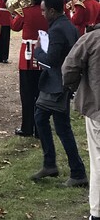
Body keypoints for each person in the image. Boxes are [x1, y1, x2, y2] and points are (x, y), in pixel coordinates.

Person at [31, 0, 87, 187]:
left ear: (53, 11)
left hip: (56, 84)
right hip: (63, 82)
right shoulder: (68, 25)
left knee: (60, 127)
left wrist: (37, 50)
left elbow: (52, 59)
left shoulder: (56, 30)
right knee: (45, 120)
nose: (42, 14)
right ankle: (52, 164)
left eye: (44, 11)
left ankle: (75, 171)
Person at [11, 0, 54, 137]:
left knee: (27, 95)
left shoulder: (25, 11)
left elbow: (14, 27)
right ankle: (40, 128)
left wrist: (15, 13)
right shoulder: (51, 11)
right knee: (42, 93)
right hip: (45, 55)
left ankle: (27, 127)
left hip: (27, 58)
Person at [62, 23, 100, 219]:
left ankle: (97, 210)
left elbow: (68, 69)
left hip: (97, 108)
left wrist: (74, 89)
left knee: (98, 161)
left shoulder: (92, 39)